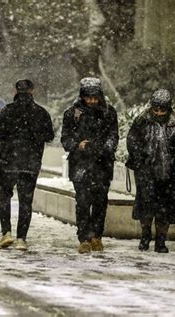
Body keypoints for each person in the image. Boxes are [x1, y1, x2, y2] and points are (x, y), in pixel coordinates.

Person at [0, 79, 54, 251]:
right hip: (30, 163)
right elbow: (49, 136)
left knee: (4, 197)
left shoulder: (7, 111)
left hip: (8, 162)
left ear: (15, 91)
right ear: (32, 91)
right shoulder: (41, 113)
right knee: (26, 201)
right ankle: (21, 239)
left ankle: (6, 233)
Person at [126, 89, 175, 253]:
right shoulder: (142, 121)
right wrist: (141, 160)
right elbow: (132, 141)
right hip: (146, 172)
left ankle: (161, 241)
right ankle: (145, 236)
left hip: (168, 174)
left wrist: (174, 161)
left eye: (163, 110)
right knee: (146, 208)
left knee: (165, 210)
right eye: (157, 109)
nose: (159, 113)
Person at [61, 77, 118, 254]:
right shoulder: (72, 113)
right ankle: (84, 237)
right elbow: (65, 139)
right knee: (83, 202)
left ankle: (96, 236)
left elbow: (113, 136)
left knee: (100, 202)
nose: (92, 101)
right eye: (89, 98)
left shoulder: (109, 112)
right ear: (83, 96)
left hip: (103, 164)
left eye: (95, 98)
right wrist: (79, 145)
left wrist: (104, 148)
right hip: (80, 164)